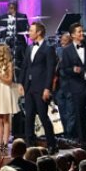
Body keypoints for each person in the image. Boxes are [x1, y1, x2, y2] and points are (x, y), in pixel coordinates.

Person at [21, 22, 57, 153]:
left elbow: (50, 70)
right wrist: (21, 83)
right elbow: (25, 66)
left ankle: (52, 144)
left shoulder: (48, 48)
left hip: (41, 88)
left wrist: (47, 88)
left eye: (31, 31)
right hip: (29, 87)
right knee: (29, 116)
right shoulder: (29, 48)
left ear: (39, 33)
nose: (29, 33)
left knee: (43, 116)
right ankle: (29, 144)